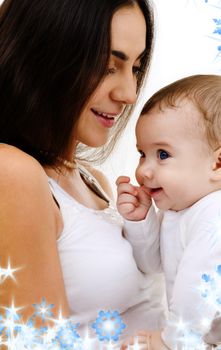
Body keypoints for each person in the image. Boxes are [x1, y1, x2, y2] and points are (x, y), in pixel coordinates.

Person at [0, 0, 166, 347]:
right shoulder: (11, 173)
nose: (129, 94)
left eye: (134, 68)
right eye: (108, 66)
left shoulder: (93, 181)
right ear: (43, 55)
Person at [116, 74, 221, 349]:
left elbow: (197, 290)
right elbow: (153, 265)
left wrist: (170, 341)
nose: (142, 170)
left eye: (162, 154)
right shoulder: (181, 208)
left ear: (217, 164)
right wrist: (141, 221)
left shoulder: (213, 215)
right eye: (142, 153)